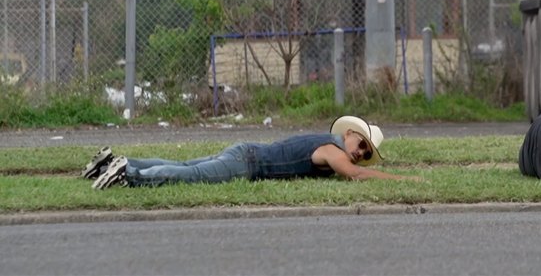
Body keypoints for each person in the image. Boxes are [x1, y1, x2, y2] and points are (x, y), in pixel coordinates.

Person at [84, 115, 421, 189]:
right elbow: (355, 174)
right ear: (349, 134)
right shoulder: (334, 150)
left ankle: (117, 163)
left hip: (246, 153)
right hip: (247, 162)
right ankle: (129, 175)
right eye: (361, 144)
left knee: (185, 165)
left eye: (365, 152)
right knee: (193, 175)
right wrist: (400, 178)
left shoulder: (333, 146)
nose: (359, 153)